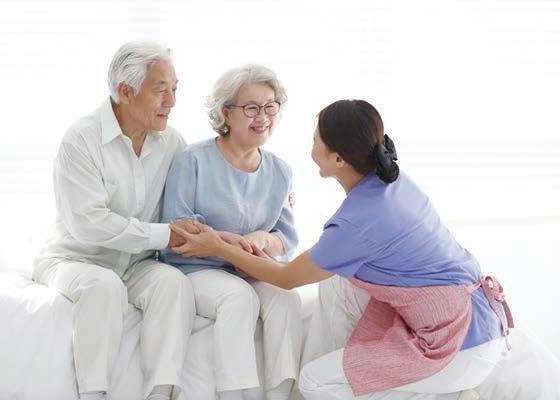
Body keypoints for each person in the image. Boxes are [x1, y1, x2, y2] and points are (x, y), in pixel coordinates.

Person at [169, 99, 516, 400]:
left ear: (337, 159)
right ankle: (344, 370)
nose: (311, 145)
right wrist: (247, 249)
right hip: (476, 319)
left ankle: (447, 394)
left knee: (314, 382)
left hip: (459, 346)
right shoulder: (391, 182)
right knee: (336, 284)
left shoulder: (356, 222)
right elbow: (310, 266)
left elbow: (287, 278)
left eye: (315, 139)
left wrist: (218, 246)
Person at [33, 41, 198, 400]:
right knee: (103, 286)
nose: (171, 101)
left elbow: (189, 200)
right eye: (160, 90)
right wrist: (164, 235)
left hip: (136, 263)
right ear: (126, 92)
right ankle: (94, 394)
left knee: (173, 284)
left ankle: (161, 393)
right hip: (76, 259)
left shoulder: (172, 143)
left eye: (175, 88)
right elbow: (89, 224)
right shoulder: (82, 139)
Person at [161, 64, 302, 400]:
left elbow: (285, 237)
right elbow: (179, 230)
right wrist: (232, 243)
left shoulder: (280, 171)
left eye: (270, 107)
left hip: (251, 268)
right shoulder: (192, 160)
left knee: (287, 298)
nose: (263, 117)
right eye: (251, 108)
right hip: (197, 269)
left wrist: (261, 239)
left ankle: (281, 394)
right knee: (238, 298)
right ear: (226, 112)